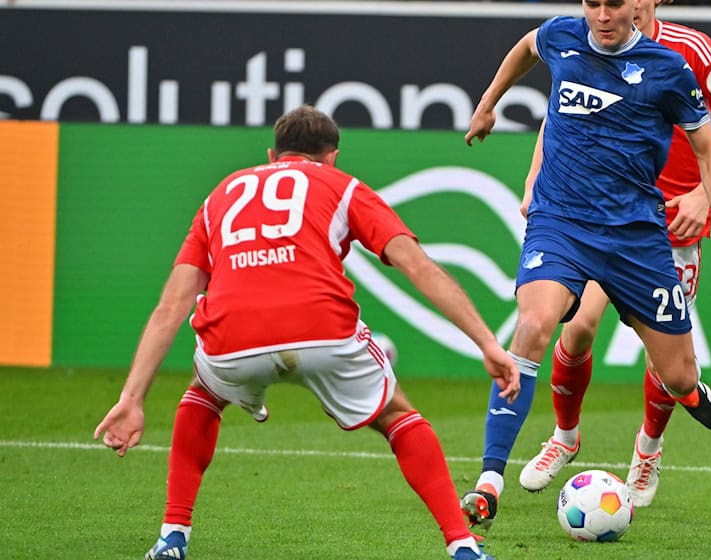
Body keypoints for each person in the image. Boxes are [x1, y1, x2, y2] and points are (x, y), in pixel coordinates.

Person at [93, 105, 518, 560]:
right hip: (322, 333)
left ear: (272, 154)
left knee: (204, 392)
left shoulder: (220, 196)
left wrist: (132, 398)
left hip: (232, 340)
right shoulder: (343, 185)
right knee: (396, 416)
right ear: (331, 157)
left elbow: (171, 305)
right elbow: (418, 265)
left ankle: (172, 538)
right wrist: (487, 343)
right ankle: (462, 547)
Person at [459, 0, 711, 531]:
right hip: (563, 222)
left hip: (638, 235)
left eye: (614, 4)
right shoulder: (562, 36)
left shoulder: (669, 66)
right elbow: (529, 49)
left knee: (676, 372)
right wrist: (488, 104)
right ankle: (489, 480)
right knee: (537, 326)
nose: (603, 13)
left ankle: (675, 407)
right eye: (593, 2)